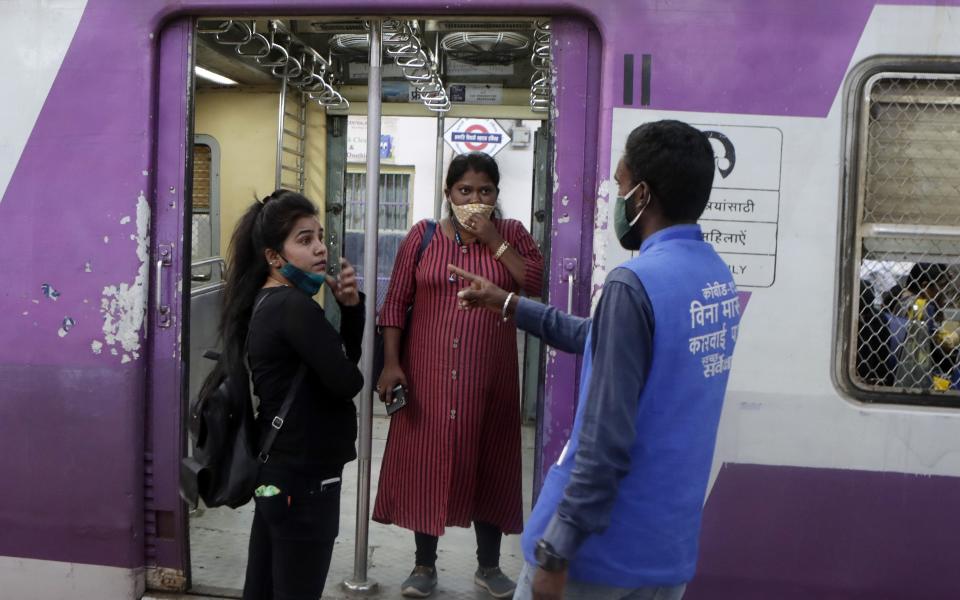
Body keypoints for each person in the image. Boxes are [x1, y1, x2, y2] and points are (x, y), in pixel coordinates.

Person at [450, 120, 741, 600]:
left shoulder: (635, 284)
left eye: (621, 186)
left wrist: (558, 548)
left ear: (642, 196)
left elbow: (604, 440)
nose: (618, 198)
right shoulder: (713, 278)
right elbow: (606, 340)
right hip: (665, 550)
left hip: (598, 554)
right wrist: (508, 303)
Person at [373, 152, 545, 598]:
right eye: (464, 191)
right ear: (448, 193)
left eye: (484, 191)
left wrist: (492, 238)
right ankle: (423, 566)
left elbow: (535, 283)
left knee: (490, 464)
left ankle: (489, 567)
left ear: (496, 195)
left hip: (491, 378)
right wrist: (392, 364)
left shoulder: (511, 234)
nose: (474, 199)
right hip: (428, 376)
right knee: (428, 466)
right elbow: (394, 303)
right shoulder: (423, 237)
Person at [213, 190, 364, 600]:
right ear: (274, 256)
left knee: (263, 587)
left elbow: (334, 369)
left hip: (277, 475)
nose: (319, 249)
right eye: (304, 239)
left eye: (320, 237)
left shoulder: (264, 301)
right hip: (306, 478)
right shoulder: (293, 308)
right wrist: (350, 313)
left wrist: (348, 310)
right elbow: (348, 380)